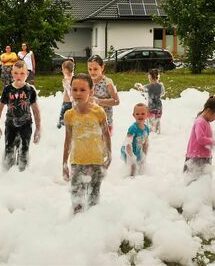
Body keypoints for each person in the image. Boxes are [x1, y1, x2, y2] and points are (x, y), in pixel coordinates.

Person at [62, 73, 112, 213]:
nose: (78, 93)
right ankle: (77, 225)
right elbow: (68, 140)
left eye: (83, 90)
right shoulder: (69, 115)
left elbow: (106, 134)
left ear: (92, 91)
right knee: (76, 198)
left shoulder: (98, 112)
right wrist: (64, 163)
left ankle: (92, 225)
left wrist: (109, 155)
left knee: (93, 198)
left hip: (96, 161)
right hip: (77, 162)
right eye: (74, 89)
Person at [0, 61, 41, 171]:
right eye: (16, 73)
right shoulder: (7, 89)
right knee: (9, 150)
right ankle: (6, 174)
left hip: (26, 125)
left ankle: (22, 175)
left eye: (22, 73)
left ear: (27, 74)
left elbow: (35, 110)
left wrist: (38, 129)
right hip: (10, 125)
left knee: (24, 151)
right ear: (11, 73)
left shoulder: (30, 90)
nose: (18, 76)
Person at [184, 95, 215, 178]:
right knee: (195, 182)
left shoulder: (205, 121)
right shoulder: (200, 122)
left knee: (203, 181)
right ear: (208, 110)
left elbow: (207, 139)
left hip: (203, 157)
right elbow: (200, 138)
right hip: (196, 158)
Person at [87, 55, 120, 134]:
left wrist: (98, 101)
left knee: (103, 145)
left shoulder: (107, 82)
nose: (92, 72)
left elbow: (116, 101)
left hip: (105, 123)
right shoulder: (87, 82)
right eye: (90, 69)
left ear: (102, 67)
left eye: (95, 69)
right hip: (90, 122)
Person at [120, 103, 150, 177]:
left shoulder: (146, 128)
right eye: (137, 114)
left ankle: (139, 178)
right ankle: (129, 180)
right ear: (134, 115)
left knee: (140, 164)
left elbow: (145, 143)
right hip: (127, 151)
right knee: (132, 168)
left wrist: (144, 155)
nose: (140, 115)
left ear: (147, 115)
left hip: (137, 150)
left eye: (143, 113)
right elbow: (128, 144)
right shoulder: (133, 128)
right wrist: (131, 157)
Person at [135, 68, 165, 134]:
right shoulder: (161, 86)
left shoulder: (148, 86)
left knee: (151, 123)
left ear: (151, 78)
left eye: (149, 78)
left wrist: (138, 86)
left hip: (151, 107)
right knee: (157, 121)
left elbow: (142, 90)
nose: (149, 79)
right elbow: (163, 93)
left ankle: (152, 135)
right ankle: (158, 133)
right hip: (159, 107)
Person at [57, 59, 75, 129]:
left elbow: (69, 91)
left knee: (61, 122)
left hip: (67, 102)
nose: (62, 71)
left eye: (63, 69)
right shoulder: (73, 78)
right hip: (71, 102)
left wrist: (72, 100)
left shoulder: (66, 80)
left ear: (66, 70)